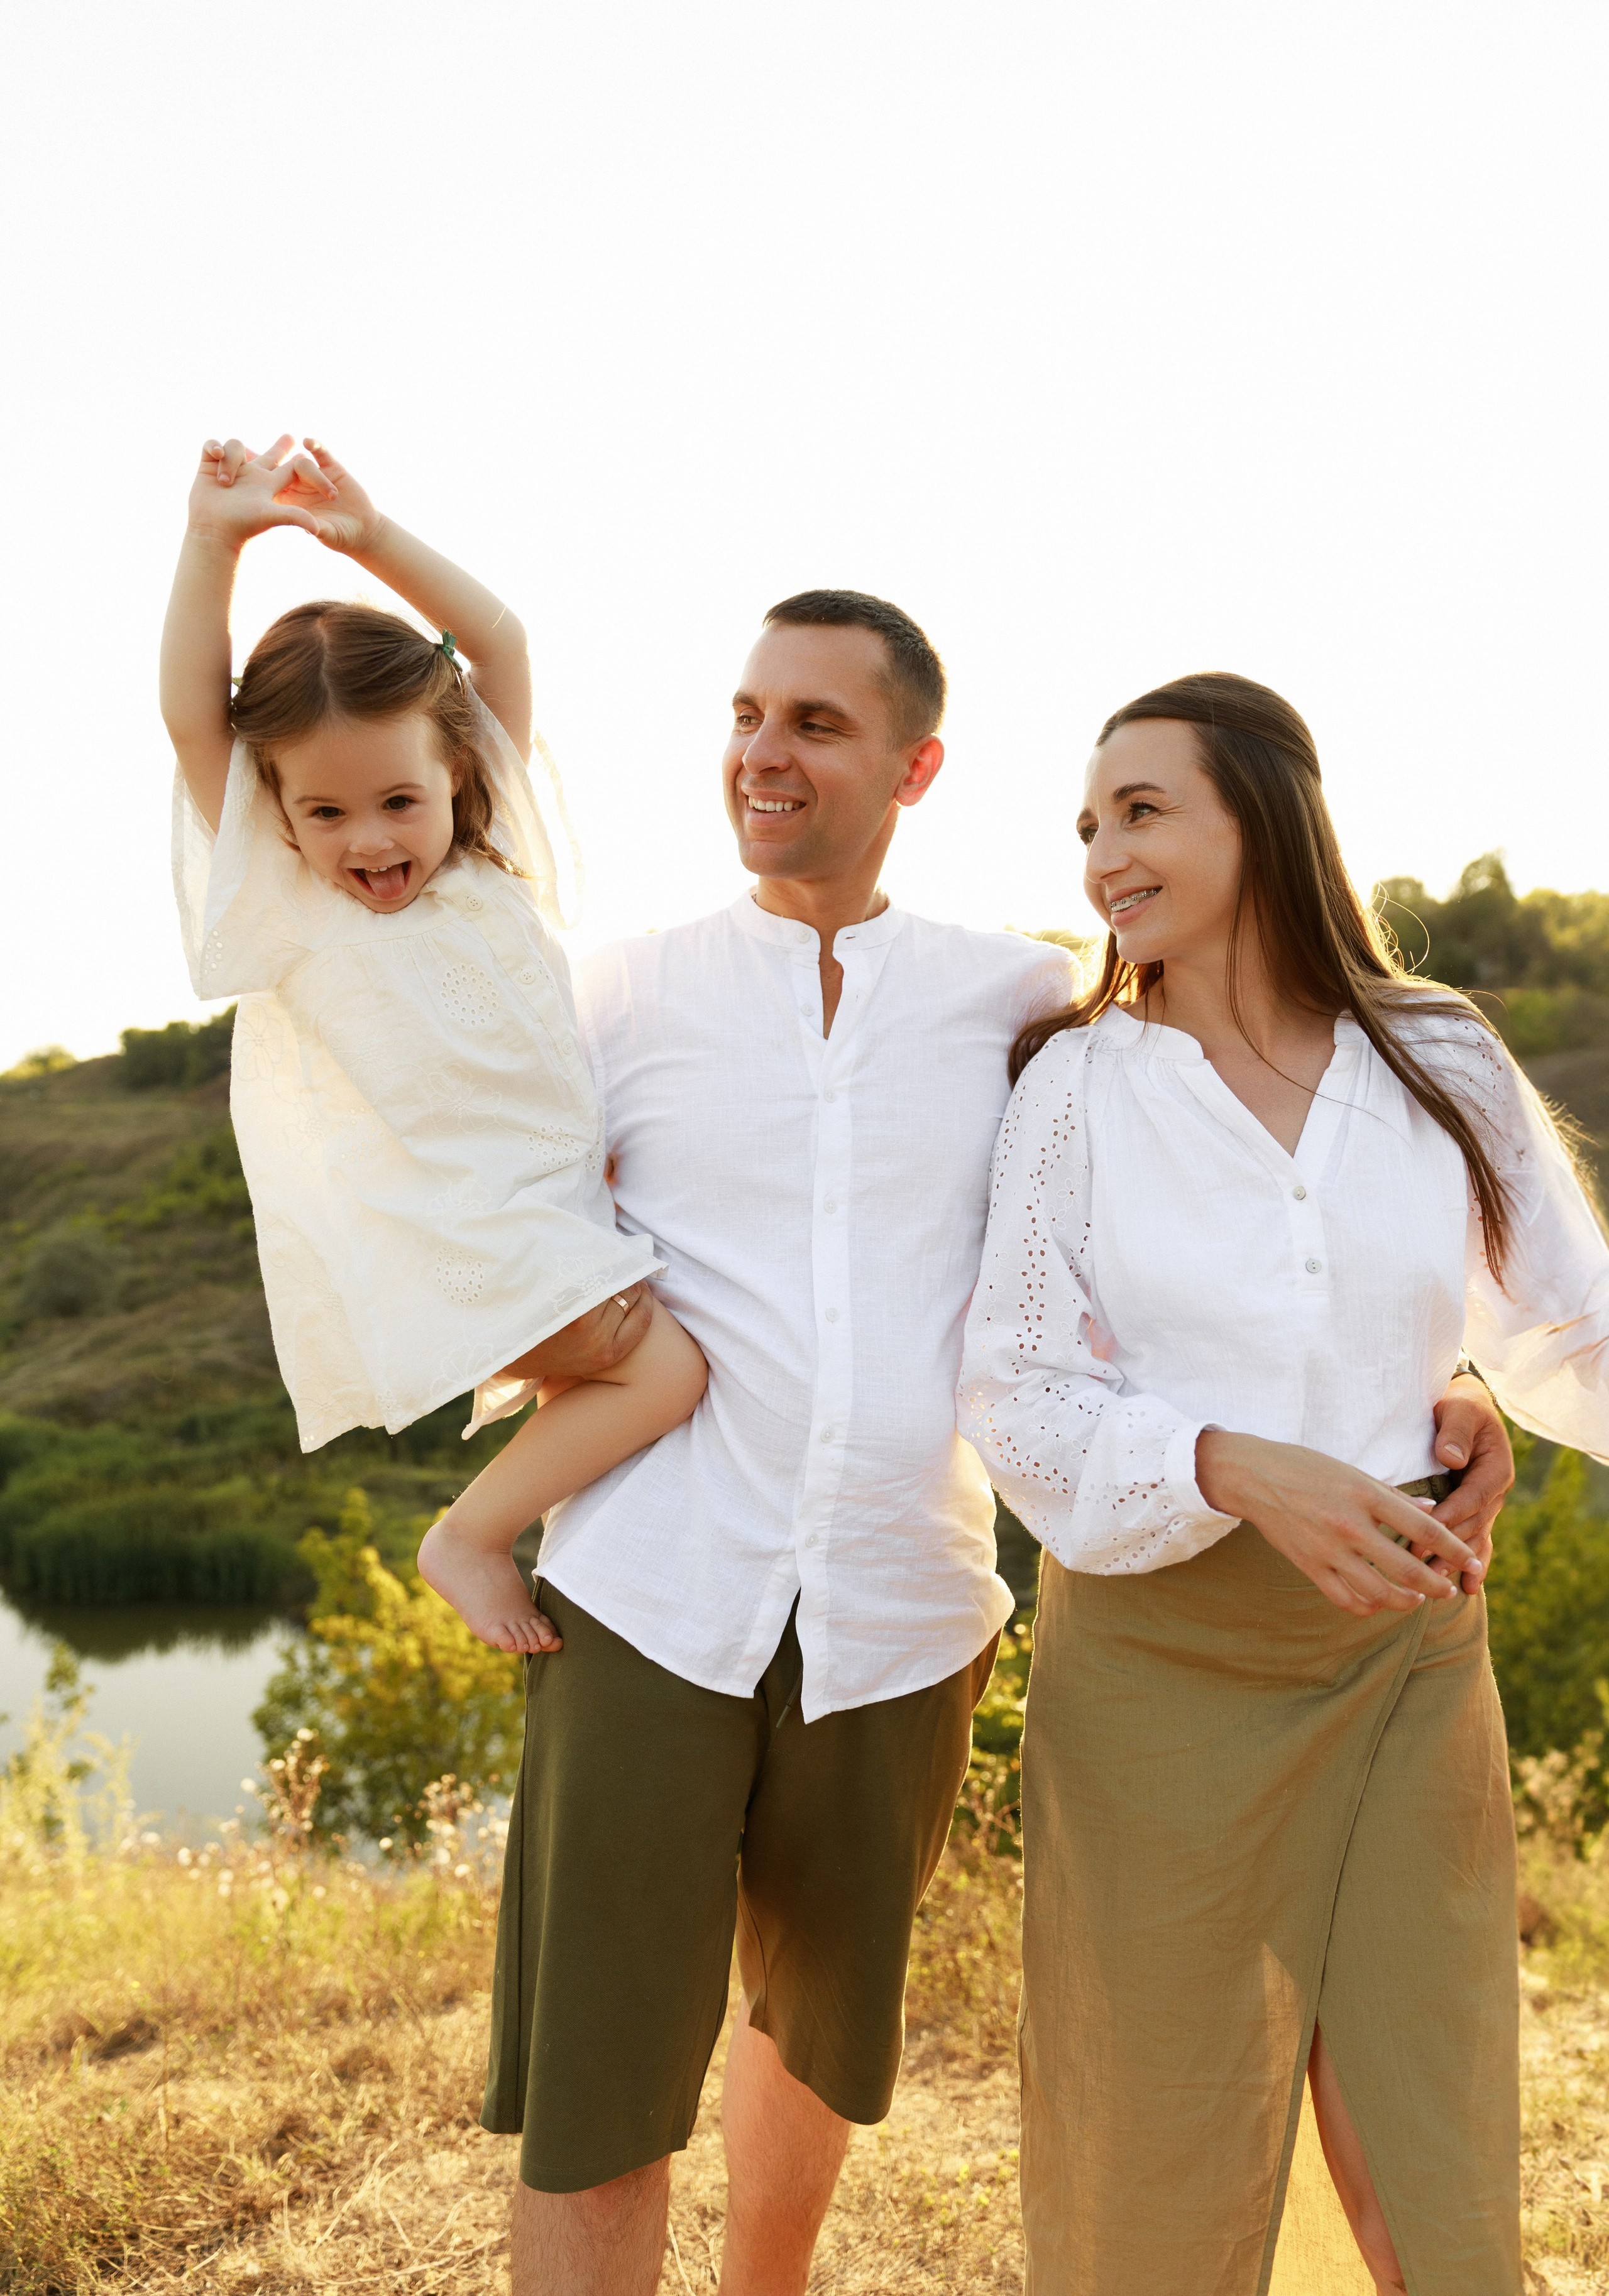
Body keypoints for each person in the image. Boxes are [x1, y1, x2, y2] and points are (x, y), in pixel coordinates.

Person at [479, 613, 1516, 2296]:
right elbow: (485, 1228)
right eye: (744, 713)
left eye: (814, 721)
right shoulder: (617, 991)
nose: (762, 752)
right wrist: (560, 1359)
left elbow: (1246, 1197)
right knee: (600, 2082)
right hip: (653, 1580)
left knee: (816, 2039)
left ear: (916, 767)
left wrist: (1439, 1387)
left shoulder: (1024, 1002)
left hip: (899, 1606)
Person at [958, 672, 1609, 2295]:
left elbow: (1571, 1323)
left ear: (1262, 815)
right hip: (1156, 1669)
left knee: (1424, 2139)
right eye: (1088, 823)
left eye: (1142, 809)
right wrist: (1234, 1466)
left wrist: (1461, 1393)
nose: (1103, 854)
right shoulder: (1076, 1087)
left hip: (1403, 1649)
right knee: (1155, 2149)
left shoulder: (1436, 1053)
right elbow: (1018, 1393)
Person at [160, 435, 706, 1653]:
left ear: (458, 770)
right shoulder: (294, 907)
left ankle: (540, 1540)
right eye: (324, 811)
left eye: (399, 801)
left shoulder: (483, 865)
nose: (368, 841)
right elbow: (193, 717)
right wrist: (213, 540)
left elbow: (499, 642)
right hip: (457, 1235)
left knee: (636, 1381)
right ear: (275, 811)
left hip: (550, 1209)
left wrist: (370, 537)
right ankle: (467, 1534)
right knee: (666, 1373)